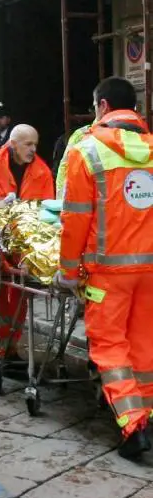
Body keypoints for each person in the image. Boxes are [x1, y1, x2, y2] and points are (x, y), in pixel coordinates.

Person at [59, 75, 153, 460]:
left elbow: (75, 219)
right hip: (149, 269)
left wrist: (67, 271)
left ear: (102, 106)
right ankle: (147, 413)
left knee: (110, 344)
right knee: (144, 343)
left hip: (107, 273)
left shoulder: (87, 151)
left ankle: (132, 424)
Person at [0, 124, 54, 362]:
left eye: (35, 144)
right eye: (28, 144)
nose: (33, 149)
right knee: (0, 298)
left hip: (25, 248)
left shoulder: (42, 172)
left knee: (21, 299)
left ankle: (11, 347)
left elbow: (47, 214)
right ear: (13, 144)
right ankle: (2, 349)